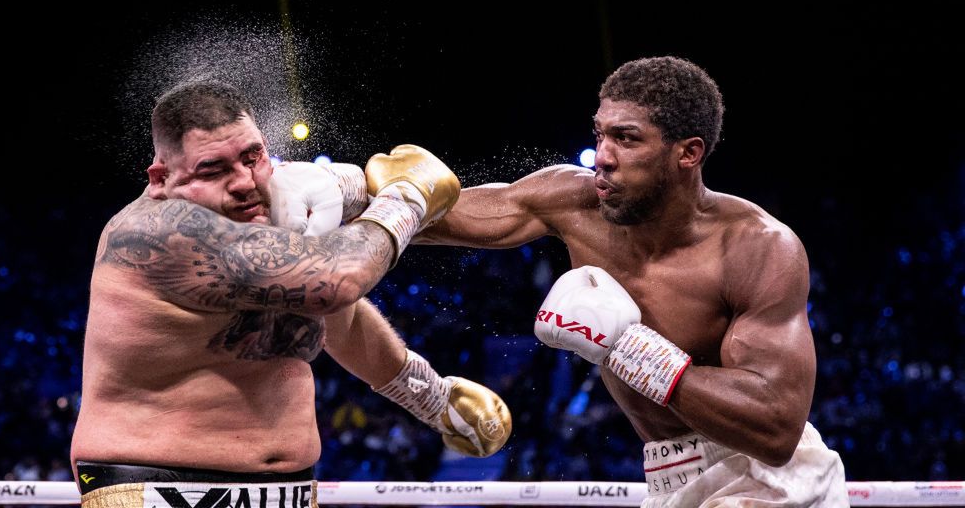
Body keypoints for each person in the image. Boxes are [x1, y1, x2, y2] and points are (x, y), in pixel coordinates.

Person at [417, 56, 850, 506]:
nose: (603, 156)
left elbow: (776, 429)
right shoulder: (573, 202)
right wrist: (358, 200)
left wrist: (629, 347)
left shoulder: (756, 247)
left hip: (766, 479)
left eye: (626, 139)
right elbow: (442, 215)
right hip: (667, 480)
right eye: (600, 134)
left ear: (689, 153)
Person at [69, 81, 511, 508]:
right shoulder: (164, 230)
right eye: (214, 169)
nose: (243, 182)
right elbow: (340, 281)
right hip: (156, 488)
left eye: (251, 157)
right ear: (161, 178)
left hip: (290, 491)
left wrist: (432, 399)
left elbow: (342, 319)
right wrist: (405, 199)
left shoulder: (272, 220)